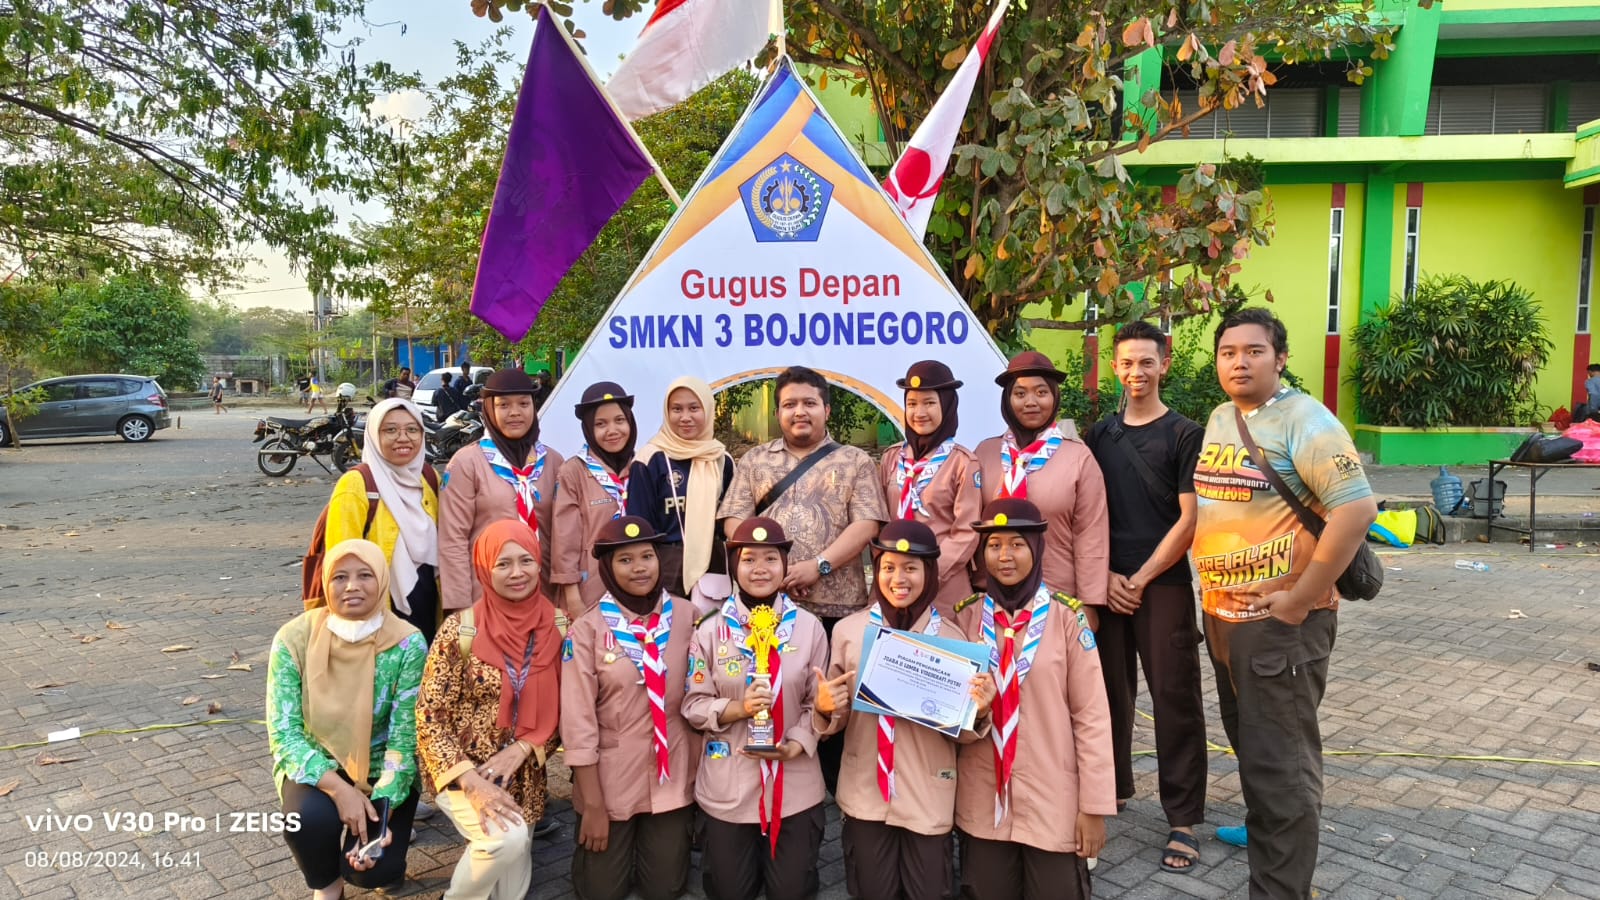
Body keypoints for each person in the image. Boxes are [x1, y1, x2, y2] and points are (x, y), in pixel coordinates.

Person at [1193, 307, 1378, 899]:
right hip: (1225, 617)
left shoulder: (1306, 419)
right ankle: (1263, 831)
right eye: (1228, 352)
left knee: (1283, 768)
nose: (1239, 362)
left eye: (1253, 351)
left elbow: (1356, 509)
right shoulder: (1224, 416)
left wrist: (1298, 598)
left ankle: (1279, 888)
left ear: (1280, 357)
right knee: (1254, 747)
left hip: (1280, 625)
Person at [717, 366, 887, 794]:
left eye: (809, 403)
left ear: (826, 409)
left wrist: (819, 566)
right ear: (778, 412)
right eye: (790, 404)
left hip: (838, 611)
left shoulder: (856, 461)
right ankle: (771, 786)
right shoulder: (755, 461)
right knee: (774, 700)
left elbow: (867, 524)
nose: (800, 411)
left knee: (835, 707)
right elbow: (734, 521)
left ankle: (836, 798)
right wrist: (768, 570)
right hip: (768, 613)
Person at [812, 519, 996, 900]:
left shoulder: (952, 639)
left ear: (929, 574)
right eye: (889, 567)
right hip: (866, 794)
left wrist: (977, 712)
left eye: (911, 568)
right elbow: (836, 720)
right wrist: (826, 708)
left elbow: (959, 731)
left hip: (927, 795)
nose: (900, 578)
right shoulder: (848, 631)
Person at [1083, 321, 1208, 873]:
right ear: (1116, 367)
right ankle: (1113, 790)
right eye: (1128, 363)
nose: (1137, 373)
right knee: (1106, 696)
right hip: (1106, 585)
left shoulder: (1185, 434)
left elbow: (1191, 519)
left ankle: (1183, 818)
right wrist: (1106, 576)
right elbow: (1087, 517)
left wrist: (1141, 577)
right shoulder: (1098, 436)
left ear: (1165, 364)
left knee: (1175, 699)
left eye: (1147, 362)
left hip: (1164, 587)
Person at [953, 498, 1114, 900]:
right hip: (983, 800)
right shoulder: (966, 619)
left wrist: (1094, 808)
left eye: (1017, 544)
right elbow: (951, 713)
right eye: (993, 545)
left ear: (1037, 549)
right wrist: (979, 711)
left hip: (1052, 799)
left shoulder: (1066, 619)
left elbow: (1092, 716)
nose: (1004, 556)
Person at [267, 539, 426, 900]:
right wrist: (341, 792)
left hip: (383, 771)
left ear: (382, 581)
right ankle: (327, 887)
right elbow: (285, 734)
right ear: (325, 583)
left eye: (364, 575)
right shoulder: (294, 639)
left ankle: (388, 860)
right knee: (307, 822)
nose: (352, 586)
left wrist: (380, 812)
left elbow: (403, 740)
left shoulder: (407, 643)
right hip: (317, 766)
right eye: (340, 576)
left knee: (373, 870)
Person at [683, 518, 829, 900]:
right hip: (729, 783)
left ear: (785, 565)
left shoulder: (809, 627)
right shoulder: (710, 629)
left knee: (792, 890)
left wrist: (797, 742)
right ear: (734, 566)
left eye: (771, 558)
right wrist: (738, 708)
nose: (760, 568)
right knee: (729, 890)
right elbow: (694, 705)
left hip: (794, 783)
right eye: (749, 559)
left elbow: (817, 703)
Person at [416, 520, 562, 900]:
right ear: (484, 568)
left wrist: (525, 748)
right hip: (465, 771)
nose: (517, 573)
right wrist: (473, 782)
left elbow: (568, 710)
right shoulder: (459, 630)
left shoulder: (560, 628)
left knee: (509, 893)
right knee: (504, 843)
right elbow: (430, 717)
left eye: (525, 560)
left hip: (525, 776)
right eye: (502, 564)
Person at [563, 517, 698, 900]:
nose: (639, 567)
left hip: (670, 776)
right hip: (611, 781)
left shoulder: (688, 617)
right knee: (599, 891)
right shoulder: (586, 630)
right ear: (607, 568)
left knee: (665, 889)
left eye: (647, 556)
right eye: (625, 560)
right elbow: (578, 722)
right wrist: (592, 805)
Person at [975, 351, 1110, 630]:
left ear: (1055, 398)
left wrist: (1089, 602)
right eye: (1020, 394)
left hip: (1057, 594)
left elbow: (1091, 534)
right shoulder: (985, 454)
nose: (1031, 402)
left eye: (1041, 392)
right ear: (1008, 400)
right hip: (992, 596)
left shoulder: (1078, 458)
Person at [439, 368, 564, 617]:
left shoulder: (552, 461)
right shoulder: (467, 463)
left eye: (523, 403)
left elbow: (564, 534)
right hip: (485, 598)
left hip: (544, 597)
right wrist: (461, 608)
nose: (515, 412)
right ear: (489, 409)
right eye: (504, 405)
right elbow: (452, 540)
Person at [326, 398, 441, 644]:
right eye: (390, 430)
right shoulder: (356, 484)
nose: (403, 438)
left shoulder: (429, 478)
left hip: (430, 603)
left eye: (412, 430)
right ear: (374, 435)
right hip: (378, 610)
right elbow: (339, 560)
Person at [877, 360, 983, 618]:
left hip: (944, 583)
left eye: (929, 403)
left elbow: (966, 531)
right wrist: (891, 570)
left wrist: (927, 573)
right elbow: (880, 520)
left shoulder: (963, 463)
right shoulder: (892, 459)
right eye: (912, 404)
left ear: (947, 406)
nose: (919, 412)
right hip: (894, 585)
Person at [632, 375, 735, 601]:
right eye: (676, 409)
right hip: (665, 566)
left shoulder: (721, 459)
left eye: (694, 408)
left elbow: (730, 518)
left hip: (712, 565)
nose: (685, 417)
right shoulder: (650, 458)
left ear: (708, 410)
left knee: (712, 633)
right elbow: (640, 524)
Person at [554, 382, 643, 617]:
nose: (612, 430)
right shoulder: (572, 471)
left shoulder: (643, 466)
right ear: (588, 430)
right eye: (600, 424)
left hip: (641, 585)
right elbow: (565, 540)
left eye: (619, 420)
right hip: (591, 590)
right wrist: (572, 597)